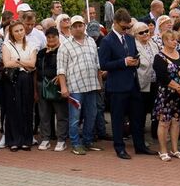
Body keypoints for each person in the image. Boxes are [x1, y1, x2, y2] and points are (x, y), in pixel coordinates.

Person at [98, 10, 147, 159]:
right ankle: (119, 148)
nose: (126, 30)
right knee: (118, 119)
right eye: (124, 27)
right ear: (115, 22)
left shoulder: (131, 39)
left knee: (137, 117)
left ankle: (140, 146)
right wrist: (124, 62)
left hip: (133, 84)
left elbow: (134, 57)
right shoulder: (107, 41)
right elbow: (103, 64)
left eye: (128, 27)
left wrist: (136, 62)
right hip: (117, 87)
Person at [57, 16, 103, 156]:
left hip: (91, 85)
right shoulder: (65, 45)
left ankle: (87, 141)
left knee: (92, 115)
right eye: (75, 26)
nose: (78, 28)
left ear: (84, 26)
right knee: (75, 117)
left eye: (80, 25)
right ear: (70, 28)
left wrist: (100, 83)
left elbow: (97, 64)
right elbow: (61, 69)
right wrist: (64, 87)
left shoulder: (91, 42)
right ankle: (76, 143)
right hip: (75, 87)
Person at [151, 28, 180, 162]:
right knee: (164, 122)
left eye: (176, 39)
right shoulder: (159, 57)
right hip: (166, 95)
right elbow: (162, 77)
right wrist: (178, 87)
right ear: (165, 41)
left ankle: (175, 149)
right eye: (172, 40)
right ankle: (163, 150)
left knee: (176, 121)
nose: (175, 42)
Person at [0, 22, 38, 151]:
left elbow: (33, 64)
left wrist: (18, 61)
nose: (20, 33)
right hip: (12, 80)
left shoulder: (32, 45)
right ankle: (14, 140)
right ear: (11, 33)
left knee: (26, 109)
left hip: (26, 80)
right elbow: (7, 63)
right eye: (16, 31)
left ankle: (27, 139)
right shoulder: (7, 45)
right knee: (13, 109)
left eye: (21, 30)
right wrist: (24, 64)